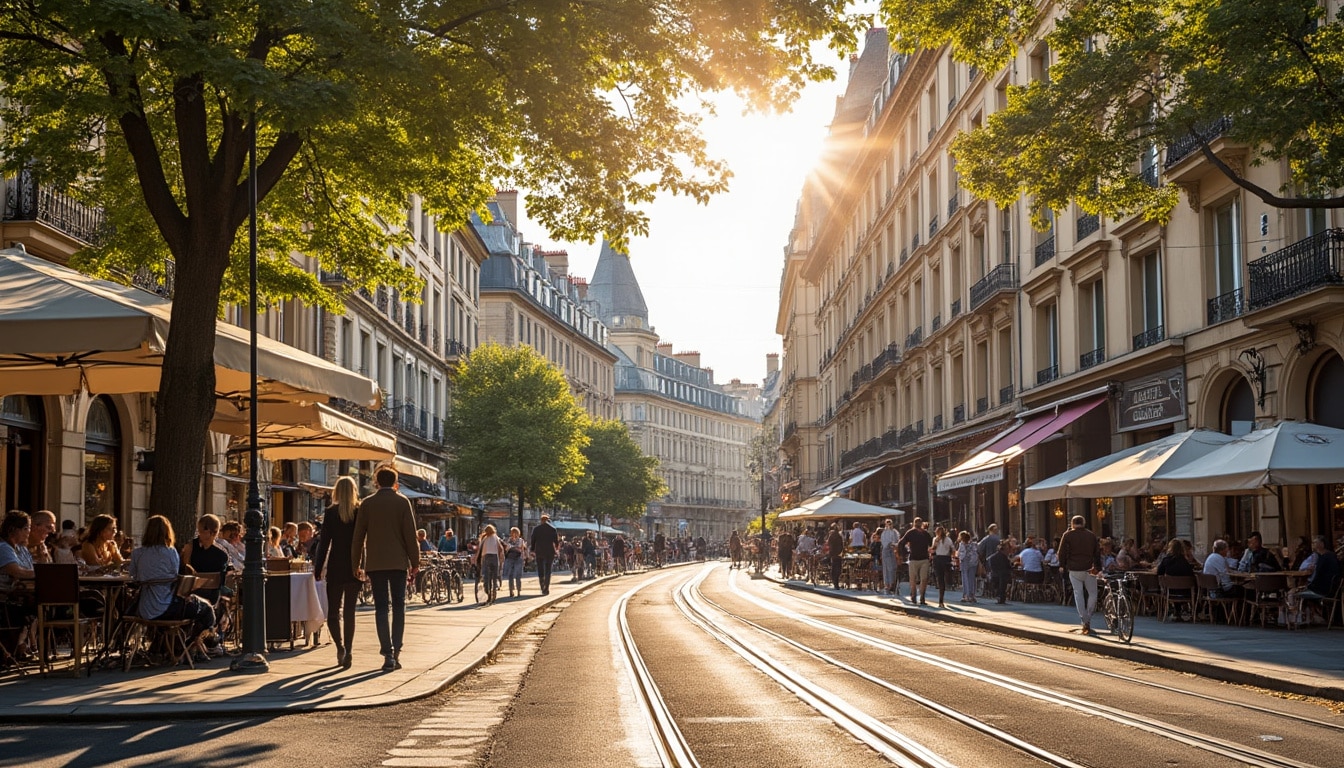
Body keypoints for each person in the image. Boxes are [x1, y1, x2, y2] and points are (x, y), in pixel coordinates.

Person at [350, 466, 418, 672]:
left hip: (376, 564)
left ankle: (386, 652)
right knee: (399, 607)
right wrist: (415, 563)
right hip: (398, 563)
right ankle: (396, 650)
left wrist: (356, 564)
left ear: (376, 482)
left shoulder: (367, 504)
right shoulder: (402, 502)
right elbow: (410, 535)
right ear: (395, 481)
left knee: (381, 608)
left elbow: (358, 537)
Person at [129, 516, 215, 659]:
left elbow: (133, 575)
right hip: (167, 606)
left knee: (193, 607)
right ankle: (190, 644)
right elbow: (175, 576)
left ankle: (167, 646)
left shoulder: (137, 553)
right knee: (206, 609)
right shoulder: (170, 552)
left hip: (145, 608)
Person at [313, 476, 361, 669]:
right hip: (355, 565)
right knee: (350, 611)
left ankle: (340, 647)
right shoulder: (359, 511)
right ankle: (349, 649)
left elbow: (324, 543)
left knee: (333, 610)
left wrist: (318, 568)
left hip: (335, 565)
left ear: (336, 491)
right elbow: (363, 540)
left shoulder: (331, 513)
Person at [1058, 515, 1102, 635]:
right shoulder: (1091, 535)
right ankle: (1089, 616)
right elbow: (1097, 553)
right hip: (1089, 569)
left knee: (1078, 594)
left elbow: (1061, 552)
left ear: (1072, 524)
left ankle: (1084, 619)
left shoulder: (1067, 535)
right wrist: (1098, 568)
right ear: (1084, 523)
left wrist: (1062, 565)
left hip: (1074, 569)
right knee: (1093, 593)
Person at [179, 514, 231, 606]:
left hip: (190, 594)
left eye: (200, 531)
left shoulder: (190, 547)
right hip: (211, 596)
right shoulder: (222, 554)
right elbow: (223, 579)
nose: (199, 534)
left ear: (211, 532)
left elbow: (184, 570)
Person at [1294, 536, 1341, 624]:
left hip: (1323, 589)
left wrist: (1308, 586)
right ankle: (1314, 616)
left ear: (1322, 544)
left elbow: (1319, 576)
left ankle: (1306, 617)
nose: (1313, 545)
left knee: (1296, 593)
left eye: (1315, 543)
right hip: (1328, 588)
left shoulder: (1325, 558)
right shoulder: (1328, 556)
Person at [898, 517, 933, 605]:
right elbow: (931, 544)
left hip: (915, 558)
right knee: (923, 579)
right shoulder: (924, 533)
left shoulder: (911, 532)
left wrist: (903, 554)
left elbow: (901, 543)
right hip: (923, 558)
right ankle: (921, 597)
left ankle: (915, 596)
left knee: (914, 579)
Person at [529, 514, 559, 595]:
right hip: (550, 551)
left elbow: (533, 540)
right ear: (548, 520)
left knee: (540, 569)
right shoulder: (552, 529)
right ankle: (547, 588)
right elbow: (556, 542)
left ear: (541, 520)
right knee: (548, 570)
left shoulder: (536, 529)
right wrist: (556, 550)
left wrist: (532, 550)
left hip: (539, 551)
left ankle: (542, 586)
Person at [476, 524, 504, 603]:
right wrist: (501, 557)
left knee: (486, 577)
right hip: (494, 557)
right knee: (494, 577)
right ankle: (494, 593)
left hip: (486, 557)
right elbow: (500, 548)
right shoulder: (495, 537)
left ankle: (488, 594)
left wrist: (476, 559)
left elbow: (479, 550)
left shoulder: (484, 538)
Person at [931, 526, 955, 608]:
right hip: (945, 559)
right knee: (944, 578)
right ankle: (946, 586)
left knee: (940, 579)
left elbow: (933, 550)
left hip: (939, 559)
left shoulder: (938, 539)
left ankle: (941, 600)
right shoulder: (947, 540)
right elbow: (953, 550)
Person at [502, 526, 527, 597]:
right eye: (513, 533)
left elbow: (520, 549)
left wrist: (524, 559)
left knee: (518, 575)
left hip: (518, 559)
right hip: (510, 558)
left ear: (518, 533)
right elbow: (506, 549)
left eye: (516, 533)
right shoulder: (508, 540)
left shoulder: (520, 540)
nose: (514, 534)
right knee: (510, 575)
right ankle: (511, 591)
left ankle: (519, 591)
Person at [956, 531, 979, 603]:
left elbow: (958, 554)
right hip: (973, 562)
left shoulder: (962, 544)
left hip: (964, 562)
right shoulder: (974, 544)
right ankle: (972, 595)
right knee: (972, 579)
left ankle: (966, 595)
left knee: (965, 578)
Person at [825, 524, 845, 589]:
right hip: (838, 554)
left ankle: (835, 582)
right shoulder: (839, 536)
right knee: (838, 569)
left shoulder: (832, 536)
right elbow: (842, 545)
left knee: (834, 568)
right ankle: (836, 582)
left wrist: (830, 552)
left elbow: (828, 544)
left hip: (834, 554)